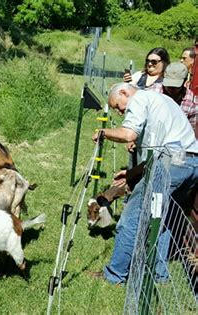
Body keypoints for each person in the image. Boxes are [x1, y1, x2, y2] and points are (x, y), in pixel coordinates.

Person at [91, 82, 198, 285]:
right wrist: (131, 173)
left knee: (131, 219)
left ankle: (115, 274)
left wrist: (103, 132)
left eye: (117, 105)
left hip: (171, 165)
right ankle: (160, 275)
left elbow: (129, 134)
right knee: (164, 219)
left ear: (124, 92)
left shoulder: (139, 99)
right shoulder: (161, 100)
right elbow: (157, 150)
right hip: (192, 163)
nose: (119, 111)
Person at [162, 62, 197, 138]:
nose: (171, 89)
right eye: (168, 85)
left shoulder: (191, 101)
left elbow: (192, 131)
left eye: (175, 86)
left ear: (184, 81)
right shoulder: (155, 92)